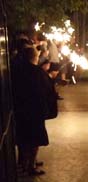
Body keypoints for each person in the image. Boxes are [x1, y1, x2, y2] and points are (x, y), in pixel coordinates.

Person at [13, 46, 49, 176]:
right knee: (35, 139)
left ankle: (22, 163)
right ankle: (31, 166)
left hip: (20, 109)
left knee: (23, 137)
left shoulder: (17, 70)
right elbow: (44, 89)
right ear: (35, 57)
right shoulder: (37, 72)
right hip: (35, 110)